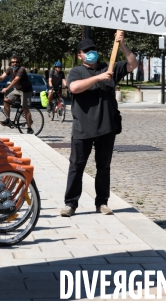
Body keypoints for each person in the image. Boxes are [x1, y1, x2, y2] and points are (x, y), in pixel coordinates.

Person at [60, 30, 138, 217]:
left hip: (106, 128)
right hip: (83, 128)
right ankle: (71, 204)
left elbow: (133, 64)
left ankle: (102, 202)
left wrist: (122, 44)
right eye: (86, 51)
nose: (91, 52)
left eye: (93, 49)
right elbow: (74, 88)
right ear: (80, 55)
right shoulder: (77, 72)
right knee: (76, 166)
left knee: (103, 167)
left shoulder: (109, 67)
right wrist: (98, 78)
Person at [0, 54, 34, 134]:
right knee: (6, 100)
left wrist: (7, 88)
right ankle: (8, 120)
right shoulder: (9, 69)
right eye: (13, 62)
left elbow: (15, 80)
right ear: (10, 63)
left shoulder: (21, 69)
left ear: (19, 62)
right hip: (17, 89)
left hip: (26, 91)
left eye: (16, 62)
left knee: (25, 108)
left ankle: (29, 128)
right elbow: (2, 77)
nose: (14, 63)